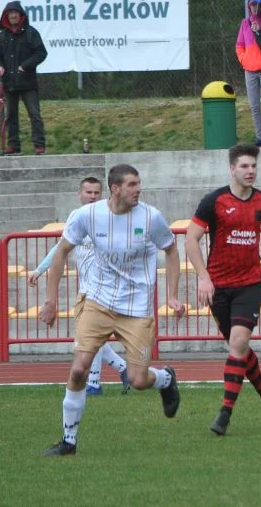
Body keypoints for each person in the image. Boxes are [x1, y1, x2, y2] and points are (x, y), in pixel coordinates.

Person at [40, 164, 183, 456]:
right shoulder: (87, 216)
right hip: (97, 301)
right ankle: (69, 441)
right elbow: (61, 251)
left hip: (137, 306)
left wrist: (171, 295)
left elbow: (170, 249)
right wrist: (51, 300)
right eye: (131, 185)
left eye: (138, 184)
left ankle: (166, 378)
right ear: (115, 189)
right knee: (79, 368)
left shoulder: (151, 217)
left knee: (138, 380)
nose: (138, 189)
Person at [185, 144, 261, 436]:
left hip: (250, 284)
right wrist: (203, 277)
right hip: (219, 286)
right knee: (238, 347)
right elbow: (191, 239)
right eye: (244, 166)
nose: (250, 171)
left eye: (253, 166)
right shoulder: (213, 201)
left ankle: (224, 414)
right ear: (232, 169)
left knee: (238, 343)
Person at [27, 177, 130, 396]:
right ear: (79, 194)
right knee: (91, 336)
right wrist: (40, 269)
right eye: (88, 192)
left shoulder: (108, 218)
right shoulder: (77, 218)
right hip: (86, 289)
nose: (92, 196)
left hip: (104, 289)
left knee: (88, 336)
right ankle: (124, 369)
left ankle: (93, 383)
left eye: (96, 192)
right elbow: (60, 248)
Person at [0, 1, 49, 156]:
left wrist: (25, 65)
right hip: (8, 82)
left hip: (28, 82)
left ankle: (39, 144)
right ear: (6, 16)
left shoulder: (31, 33)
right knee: (10, 116)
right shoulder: (2, 36)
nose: (13, 16)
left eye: (15, 13)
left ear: (21, 15)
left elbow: (41, 53)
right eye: (10, 14)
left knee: (34, 114)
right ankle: (13, 145)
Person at [235, 0, 261, 147]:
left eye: (257, 4)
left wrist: (260, 31)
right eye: (252, 5)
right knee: (254, 105)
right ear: (249, 6)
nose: (255, 7)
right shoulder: (245, 23)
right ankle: (260, 138)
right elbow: (239, 45)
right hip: (249, 70)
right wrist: (243, 59)